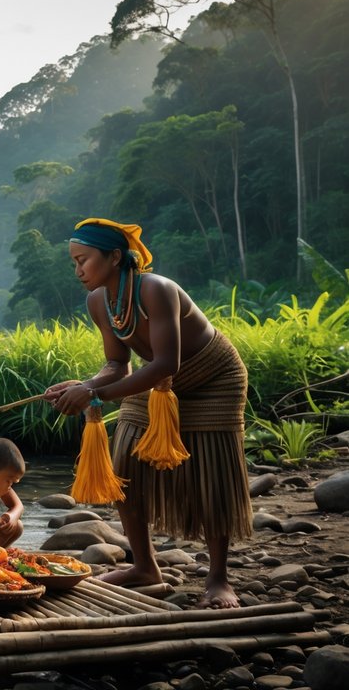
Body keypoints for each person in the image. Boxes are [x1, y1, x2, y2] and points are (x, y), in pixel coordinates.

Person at [45, 218, 251, 609]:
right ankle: (144, 567)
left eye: (83, 260)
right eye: (74, 262)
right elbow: (115, 365)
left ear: (115, 256)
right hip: (156, 381)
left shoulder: (157, 290)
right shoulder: (98, 302)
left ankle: (218, 578)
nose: (78, 270)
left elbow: (165, 364)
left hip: (211, 378)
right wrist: (82, 386)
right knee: (123, 465)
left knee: (212, 473)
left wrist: (93, 393)